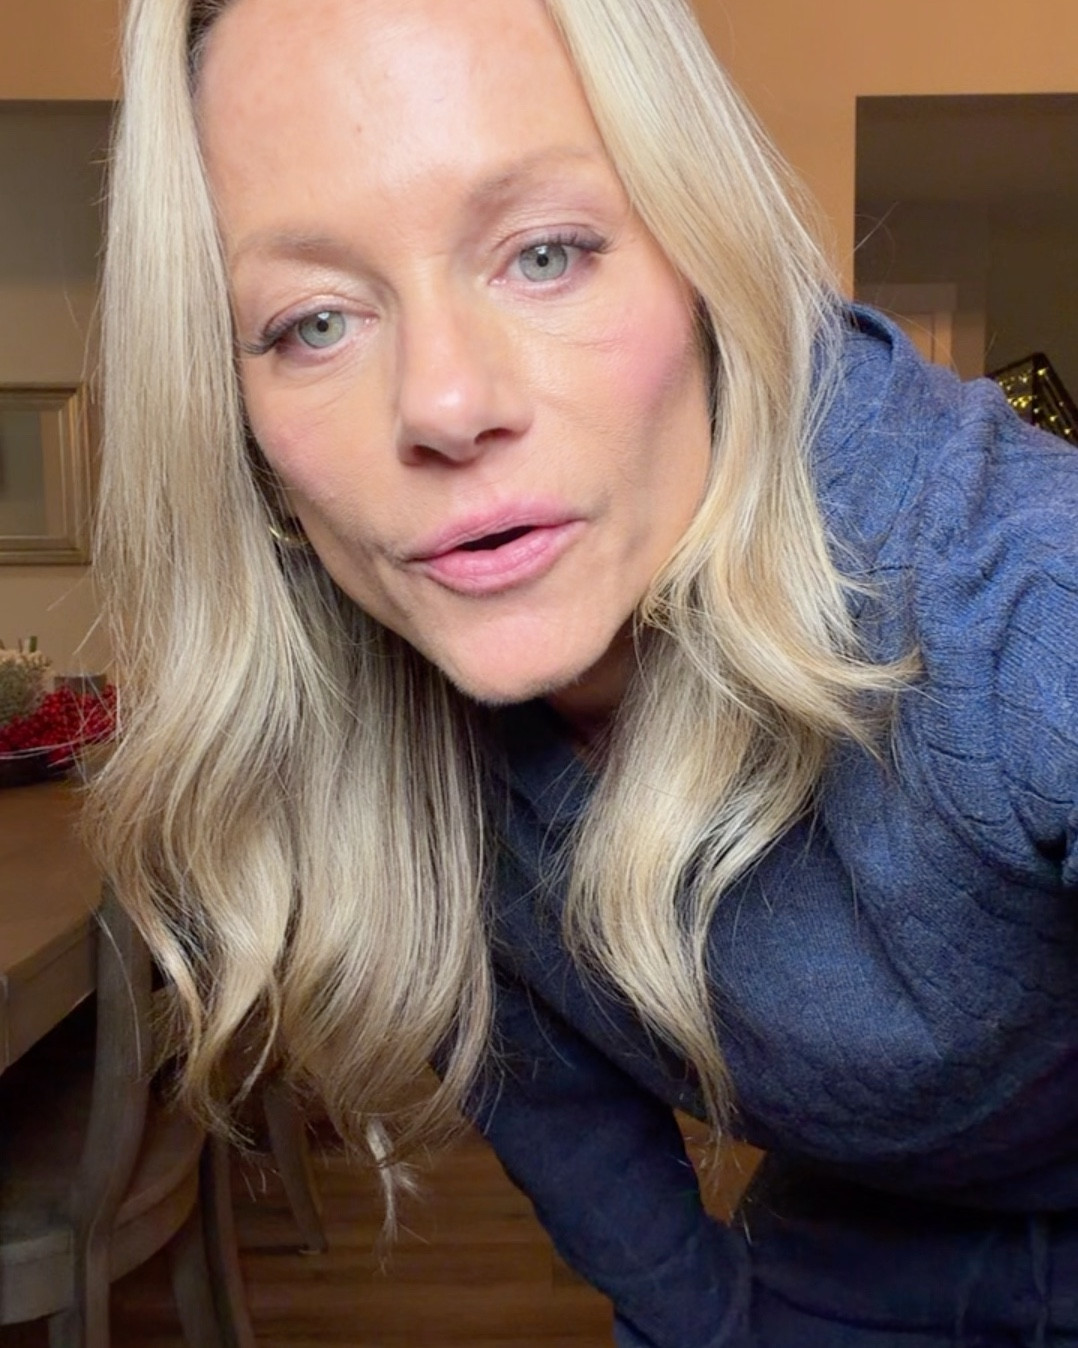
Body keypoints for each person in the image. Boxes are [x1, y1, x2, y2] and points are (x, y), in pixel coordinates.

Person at [92, 0, 1078, 1343]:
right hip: (856, 1238)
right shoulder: (405, 706)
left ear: (702, 258)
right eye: (313, 323)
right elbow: (555, 1104)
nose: (443, 404)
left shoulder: (1020, 594)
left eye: (544, 253)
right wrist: (704, 1327)